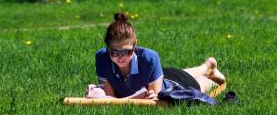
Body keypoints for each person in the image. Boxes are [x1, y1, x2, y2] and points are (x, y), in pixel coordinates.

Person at [95, 12, 226, 99]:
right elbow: (111, 100)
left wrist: (153, 97)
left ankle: (209, 71)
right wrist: (97, 94)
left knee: (200, 85)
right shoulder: (102, 57)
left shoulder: (149, 58)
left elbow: (157, 98)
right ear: (107, 47)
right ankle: (207, 66)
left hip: (172, 87)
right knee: (178, 73)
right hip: (163, 75)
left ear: (135, 45)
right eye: (114, 52)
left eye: (127, 52)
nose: (121, 57)